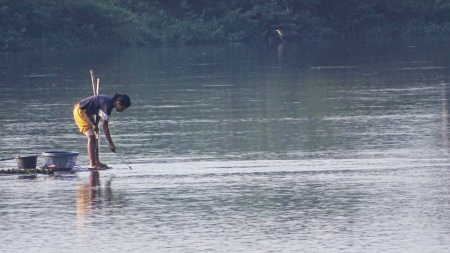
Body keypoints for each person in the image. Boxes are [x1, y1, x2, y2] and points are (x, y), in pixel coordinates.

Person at [73, 93, 131, 170]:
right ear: (118, 103)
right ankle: (92, 164)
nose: (122, 110)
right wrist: (111, 144)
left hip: (87, 113)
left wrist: (95, 124)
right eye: (122, 108)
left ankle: (96, 161)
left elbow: (98, 113)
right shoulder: (108, 105)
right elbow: (105, 126)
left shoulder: (109, 104)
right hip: (80, 111)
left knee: (95, 137)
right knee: (91, 136)